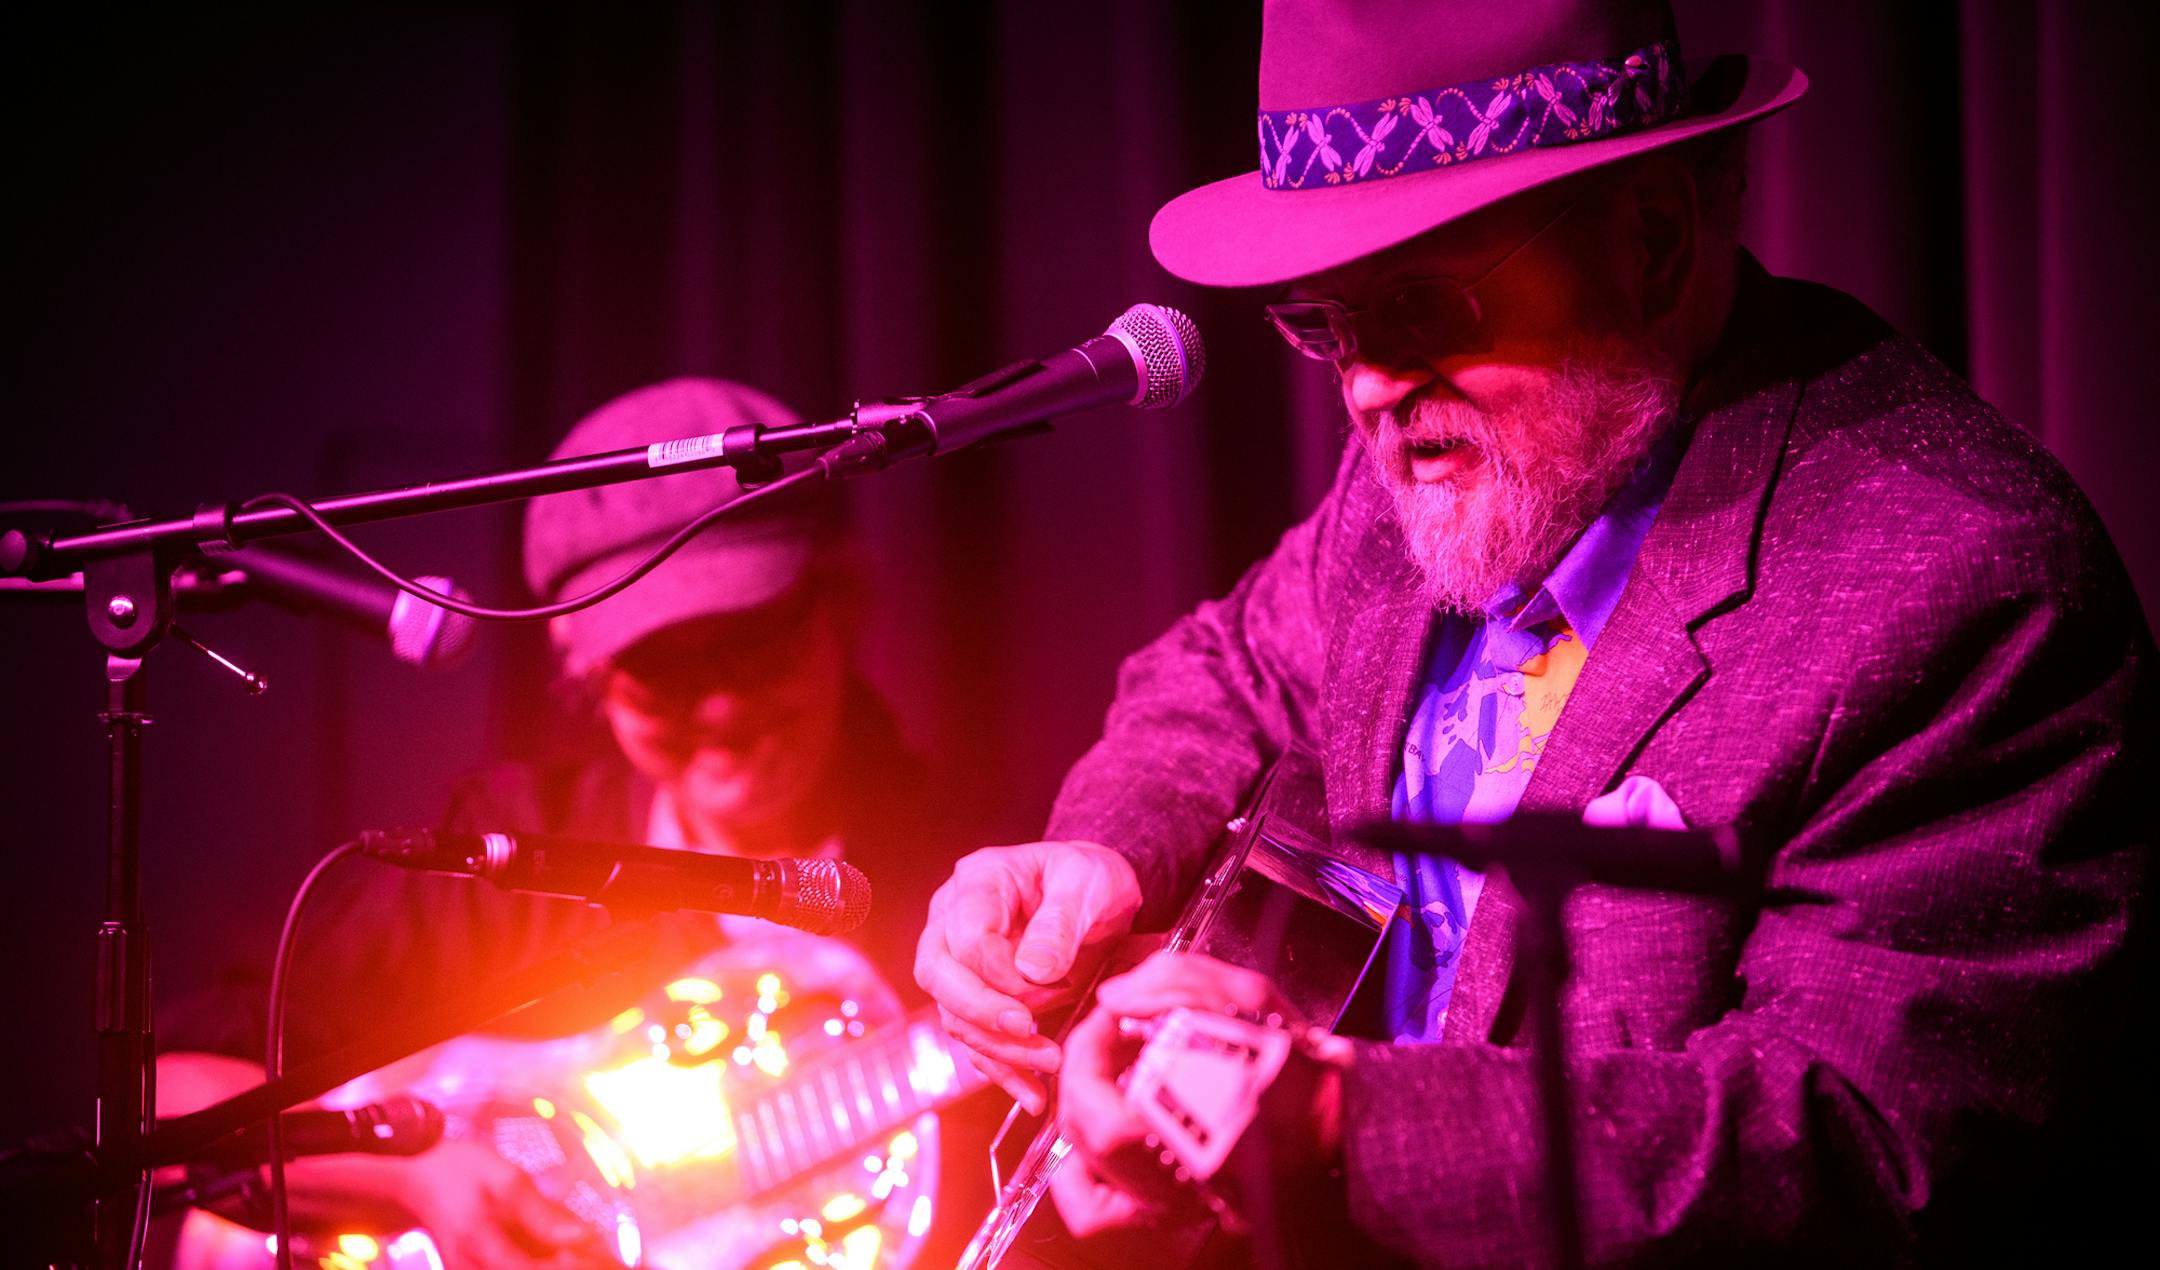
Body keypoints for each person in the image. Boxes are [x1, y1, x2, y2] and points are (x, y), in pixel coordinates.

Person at [913, 0, 2152, 1264]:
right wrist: (1103, 851)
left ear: (1652, 239)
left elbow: (1851, 1145)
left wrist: (1339, 1117)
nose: (1368, 388)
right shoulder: (1444, 458)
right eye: (1327, 325)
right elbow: (1225, 669)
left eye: (1420, 306)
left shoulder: (1962, 582)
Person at [159, 378, 987, 1269]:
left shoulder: (976, 876)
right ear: (586, 673)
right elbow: (164, 1099)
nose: (719, 707)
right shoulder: (503, 852)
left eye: (754, 644)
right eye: (660, 671)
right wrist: (408, 1180)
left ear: (843, 603)